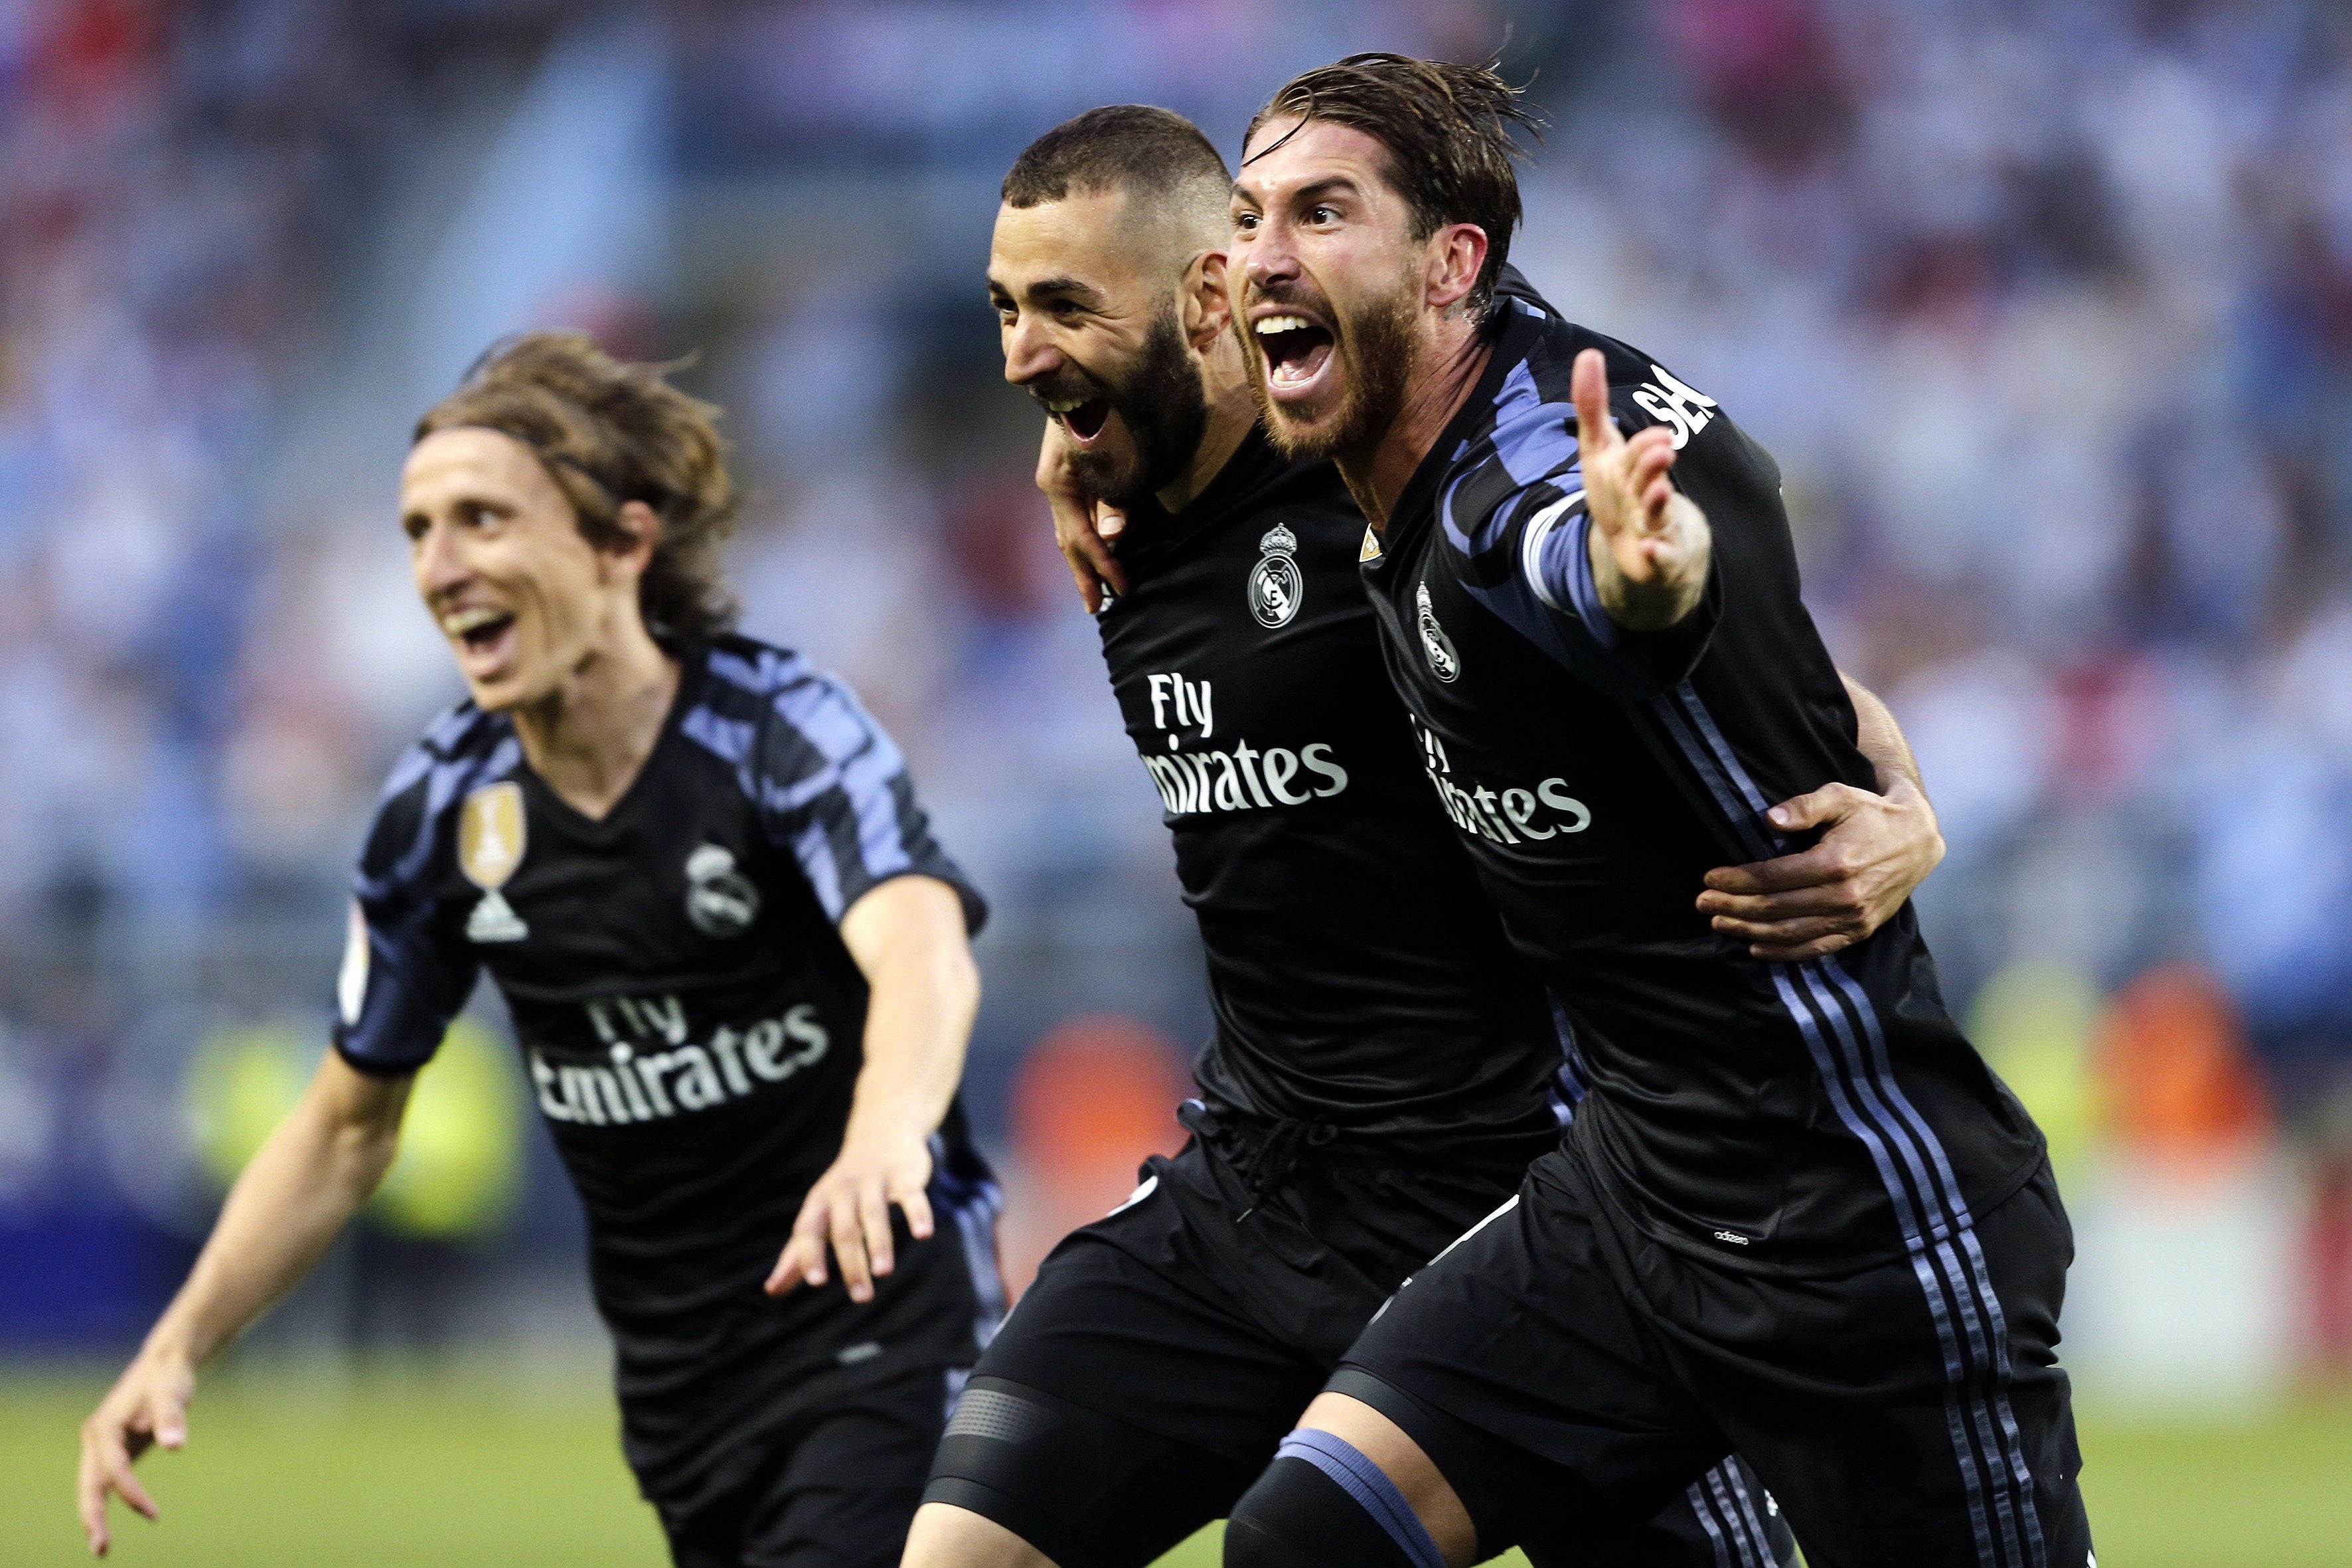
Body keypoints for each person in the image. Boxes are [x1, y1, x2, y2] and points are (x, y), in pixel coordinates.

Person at [905, 106, 1942, 1568]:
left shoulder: (1367, 490)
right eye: (1007, 310)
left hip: (1505, 1198)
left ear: (1207, 297)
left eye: (1065, 307)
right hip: (1248, 1191)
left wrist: (1904, 804)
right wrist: (1079, 427)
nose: (1020, 354)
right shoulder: (1112, 483)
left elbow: (1740, 663)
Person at [1212, 56, 2091, 1568]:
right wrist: (1900, 785)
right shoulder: (1408, 411)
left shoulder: (1529, 472)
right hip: (1628, 1190)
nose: (1262, 253)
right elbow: (1793, 677)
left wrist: (1642, 566)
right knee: (1306, 1538)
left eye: (1319, 210)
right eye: (1247, 214)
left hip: (1847, 1219)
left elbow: (1610, 571)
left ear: (1449, 265)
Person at [77, 335, 1004, 1568]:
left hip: (889, 1336)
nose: (440, 567)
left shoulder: (779, 727)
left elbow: (922, 941)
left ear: (620, 544)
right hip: (681, 1397)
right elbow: (348, 1126)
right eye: (416, 530)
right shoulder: (440, 812)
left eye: (481, 519)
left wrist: (884, 1131)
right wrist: (178, 1341)